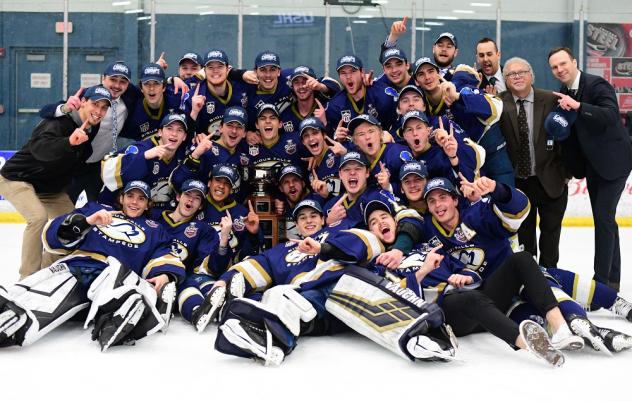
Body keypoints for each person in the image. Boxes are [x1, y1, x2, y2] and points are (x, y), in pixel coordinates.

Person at [205, 199, 455, 365]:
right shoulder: (283, 249)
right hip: (316, 299)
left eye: (314, 215)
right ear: (297, 225)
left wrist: (323, 247)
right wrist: (225, 282)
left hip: (346, 287)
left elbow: (368, 241)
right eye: (302, 218)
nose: (309, 220)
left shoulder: (346, 230)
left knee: (349, 289)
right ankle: (271, 342)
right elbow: (257, 265)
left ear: (325, 219)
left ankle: (427, 333)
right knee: (283, 297)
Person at [364, 197, 576, 366]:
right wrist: (423, 271)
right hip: (446, 312)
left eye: (384, 217)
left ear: (395, 222)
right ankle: (530, 345)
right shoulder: (379, 265)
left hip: (476, 299)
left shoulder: (423, 246)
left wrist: (467, 276)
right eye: (374, 223)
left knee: (522, 258)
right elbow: (395, 299)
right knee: (471, 298)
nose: (381, 222)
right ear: (371, 233)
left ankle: (559, 327)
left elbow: (461, 268)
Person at [0, 180, 184, 350]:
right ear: (121, 198)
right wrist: (87, 221)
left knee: (123, 284)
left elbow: (165, 253)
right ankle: (15, 315)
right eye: (130, 196)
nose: (134, 202)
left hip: (115, 274)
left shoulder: (155, 229)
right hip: (78, 265)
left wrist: (165, 273)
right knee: (42, 289)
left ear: (148, 204)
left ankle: (118, 314)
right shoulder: (96, 209)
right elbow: (53, 235)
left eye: (141, 198)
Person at [0, 85, 111, 279]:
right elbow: (39, 148)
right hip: (17, 177)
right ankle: (27, 278)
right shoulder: (58, 122)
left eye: (104, 108)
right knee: (38, 218)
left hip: (49, 188)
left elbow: (77, 161)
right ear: (82, 103)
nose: (99, 111)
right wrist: (68, 142)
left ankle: (45, 272)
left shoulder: (92, 126)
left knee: (72, 225)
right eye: (95, 104)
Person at [548, 46, 632, 291]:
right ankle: (613, 279)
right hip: (593, 165)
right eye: (554, 67)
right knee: (606, 220)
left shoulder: (596, 85)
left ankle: (601, 285)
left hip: (614, 162)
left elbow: (611, 115)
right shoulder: (564, 92)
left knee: (603, 219)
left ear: (574, 61)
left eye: (563, 63)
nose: (560, 69)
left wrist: (578, 106)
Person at [498, 57, 569, 268]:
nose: (517, 76)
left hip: (550, 181)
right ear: (505, 80)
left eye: (522, 72)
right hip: (518, 185)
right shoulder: (498, 103)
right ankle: (530, 284)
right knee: (524, 241)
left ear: (531, 75)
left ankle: (551, 281)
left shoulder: (551, 100)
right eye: (511, 74)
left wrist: (566, 172)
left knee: (550, 239)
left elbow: (567, 138)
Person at [156, 179, 230, 331]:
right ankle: (197, 312)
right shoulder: (155, 218)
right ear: (178, 197)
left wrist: (224, 238)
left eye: (197, 198)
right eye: (188, 194)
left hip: (182, 277)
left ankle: (220, 310)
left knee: (196, 283)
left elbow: (215, 267)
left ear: (201, 205)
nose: (191, 199)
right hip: (155, 274)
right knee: (183, 285)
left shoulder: (202, 229)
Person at [100, 113, 191, 217]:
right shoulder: (141, 149)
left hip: (148, 217)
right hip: (113, 211)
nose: (174, 134)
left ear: (184, 137)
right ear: (160, 132)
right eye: (169, 128)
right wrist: (144, 156)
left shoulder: (181, 156)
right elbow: (106, 169)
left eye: (179, 130)